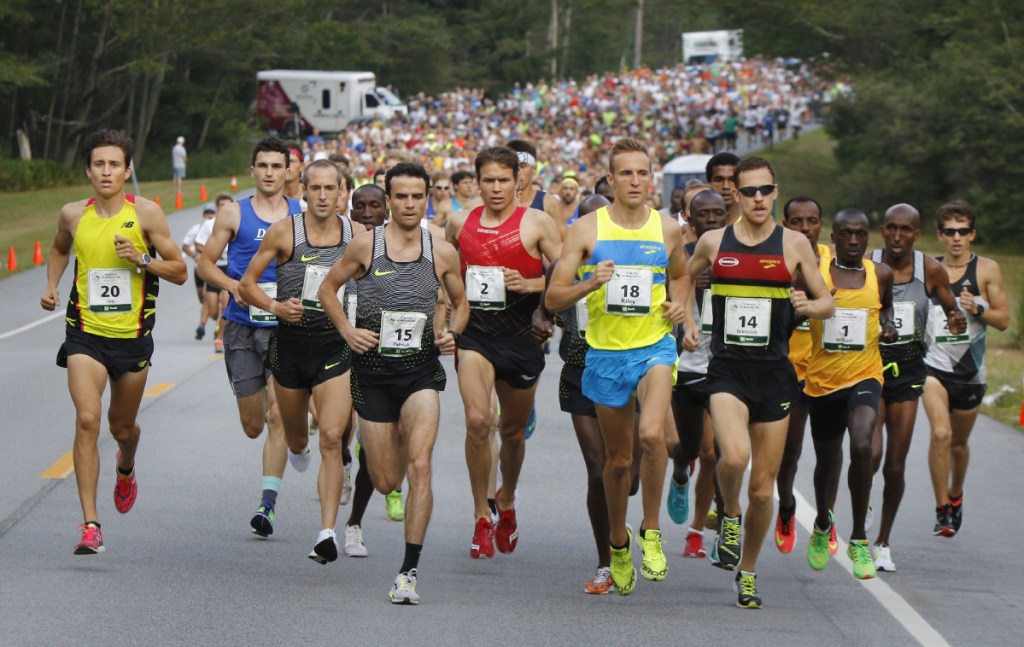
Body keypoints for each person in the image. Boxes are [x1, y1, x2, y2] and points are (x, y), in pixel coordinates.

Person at [684, 157, 835, 608]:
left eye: (764, 191)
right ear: (737, 194)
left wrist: (808, 306)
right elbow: (682, 278)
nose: (756, 199)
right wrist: (688, 319)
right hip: (728, 369)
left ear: (774, 192)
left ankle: (747, 571)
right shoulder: (714, 240)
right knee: (732, 456)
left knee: (763, 488)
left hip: (774, 375)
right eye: (747, 191)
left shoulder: (794, 245)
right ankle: (729, 514)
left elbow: (828, 301)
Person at [319, 162, 469, 604]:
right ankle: (396, 445)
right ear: (388, 202)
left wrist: (452, 333)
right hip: (373, 374)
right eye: (400, 197)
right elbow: (328, 289)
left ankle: (408, 572)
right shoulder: (365, 246)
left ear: (426, 200)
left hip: (421, 371)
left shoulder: (441, 250)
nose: (408, 204)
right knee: (386, 480)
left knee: (420, 465)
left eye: (416, 196)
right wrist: (347, 330)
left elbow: (461, 303)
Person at [546, 138, 689, 595]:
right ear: (610, 180)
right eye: (624, 173)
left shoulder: (667, 229)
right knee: (617, 461)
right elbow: (553, 298)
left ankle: (650, 531)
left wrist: (678, 306)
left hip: (654, 349)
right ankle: (617, 541)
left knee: (652, 436)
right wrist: (591, 284)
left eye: (642, 173)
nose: (634, 181)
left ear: (652, 179)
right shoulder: (587, 229)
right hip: (605, 355)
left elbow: (683, 275)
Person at [40, 128, 187, 554]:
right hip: (85, 335)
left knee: (121, 426)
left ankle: (127, 463)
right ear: (88, 170)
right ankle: (91, 525)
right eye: (99, 164)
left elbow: (179, 271)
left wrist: (142, 259)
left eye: (114, 165)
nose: (107, 171)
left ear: (128, 170)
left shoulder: (147, 215)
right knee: (87, 419)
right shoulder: (72, 213)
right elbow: (59, 249)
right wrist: (52, 285)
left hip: (133, 340)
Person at [238, 159, 361, 564]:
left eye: (332, 188)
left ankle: (326, 533)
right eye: (316, 189)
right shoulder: (284, 232)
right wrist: (275, 306)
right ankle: (296, 448)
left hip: (334, 348)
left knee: (331, 438)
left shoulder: (358, 236)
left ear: (342, 191)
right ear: (303, 191)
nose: (324, 196)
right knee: (297, 438)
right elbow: (247, 284)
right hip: (290, 349)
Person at [446, 146, 562, 560]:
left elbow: (565, 278)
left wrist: (531, 287)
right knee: (478, 422)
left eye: (503, 180)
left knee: (512, 433)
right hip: (476, 335)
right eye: (488, 181)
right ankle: (481, 516)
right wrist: (447, 310)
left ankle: (506, 498)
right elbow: (447, 271)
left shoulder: (537, 223)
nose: (496, 189)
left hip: (522, 337)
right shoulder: (459, 223)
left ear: (518, 181)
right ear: (476, 183)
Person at [197, 137, 303, 537]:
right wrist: (231, 284)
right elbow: (206, 264)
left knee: (278, 414)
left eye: (278, 165)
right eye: (263, 165)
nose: (271, 172)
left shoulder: (301, 214)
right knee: (253, 425)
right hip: (242, 325)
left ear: (289, 170)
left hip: (286, 326)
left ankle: (267, 505)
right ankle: (293, 435)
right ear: (253, 169)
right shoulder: (232, 213)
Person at [544, 192, 642, 594]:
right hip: (580, 373)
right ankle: (608, 558)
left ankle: (620, 529)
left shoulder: (631, 263)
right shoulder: (562, 266)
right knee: (598, 468)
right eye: (581, 223)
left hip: (624, 372)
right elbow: (544, 306)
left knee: (627, 477)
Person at [868, 203, 965, 571]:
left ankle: (883, 542)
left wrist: (955, 320)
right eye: (890, 228)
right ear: (882, 229)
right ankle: (863, 514)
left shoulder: (931, 270)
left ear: (917, 234)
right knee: (870, 453)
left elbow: (951, 312)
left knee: (894, 465)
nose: (896, 236)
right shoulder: (870, 264)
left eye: (905, 230)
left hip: (908, 371)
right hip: (870, 366)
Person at [804, 208, 897, 580]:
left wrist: (887, 325)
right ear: (834, 237)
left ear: (868, 238)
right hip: (823, 380)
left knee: (862, 446)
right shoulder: (816, 274)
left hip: (865, 375)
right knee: (827, 463)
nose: (854, 241)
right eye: (847, 234)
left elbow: (886, 306)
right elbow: (795, 312)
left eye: (861, 235)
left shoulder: (881, 274)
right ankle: (823, 524)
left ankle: (859, 538)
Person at [923, 201, 1008, 537]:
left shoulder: (987, 270)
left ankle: (956, 494)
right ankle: (942, 509)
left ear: (972, 234)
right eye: (949, 232)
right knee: (940, 434)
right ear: (940, 235)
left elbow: (1003, 320)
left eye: (962, 231)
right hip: (933, 368)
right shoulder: (930, 269)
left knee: (958, 444)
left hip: (971, 373)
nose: (956, 238)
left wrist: (980, 307)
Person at [666, 189, 726, 560]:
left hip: (724, 370)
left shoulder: (737, 260)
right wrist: (687, 294)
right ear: (689, 219)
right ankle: (678, 471)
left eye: (719, 213)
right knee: (688, 448)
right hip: (685, 367)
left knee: (717, 452)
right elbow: (662, 308)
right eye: (704, 214)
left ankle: (708, 533)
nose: (712, 220)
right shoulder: (681, 259)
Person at [775, 196, 832, 555]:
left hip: (829, 370)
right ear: (787, 225)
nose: (805, 228)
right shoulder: (776, 258)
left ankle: (825, 519)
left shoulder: (832, 262)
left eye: (812, 221)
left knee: (829, 453)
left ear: (821, 225)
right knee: (790, 452)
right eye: (797, 222)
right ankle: (786, 507)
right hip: (789, 369)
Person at [194, 193, 234, 352]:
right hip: (213, 268)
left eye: (228, 205)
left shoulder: (238, 222)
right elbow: (197, 245)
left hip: (229, 268)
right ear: (217, 207)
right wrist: (213, 251)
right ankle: (217, 323)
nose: (225, 208)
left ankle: (219, 338)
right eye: (222, 205)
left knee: (225, 305)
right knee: (212, 311)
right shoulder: (209, 224)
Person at [182, 205, 216, 340]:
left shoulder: (217, 228)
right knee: (202, 298)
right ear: (203, 215)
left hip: (214, 268)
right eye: (207, 213)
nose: (209, 215)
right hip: (199, 268)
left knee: (209, 298)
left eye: (212, 213)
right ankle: (213, 318)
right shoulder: (196, 229)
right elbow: (185, 246)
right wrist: (193, 255)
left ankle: (202, 326)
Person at [705, 152, 740, 224]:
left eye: (732, 180)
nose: (725, 186)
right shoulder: (698, 226)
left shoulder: (754, 224)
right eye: (719, 180)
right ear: (709, 184)